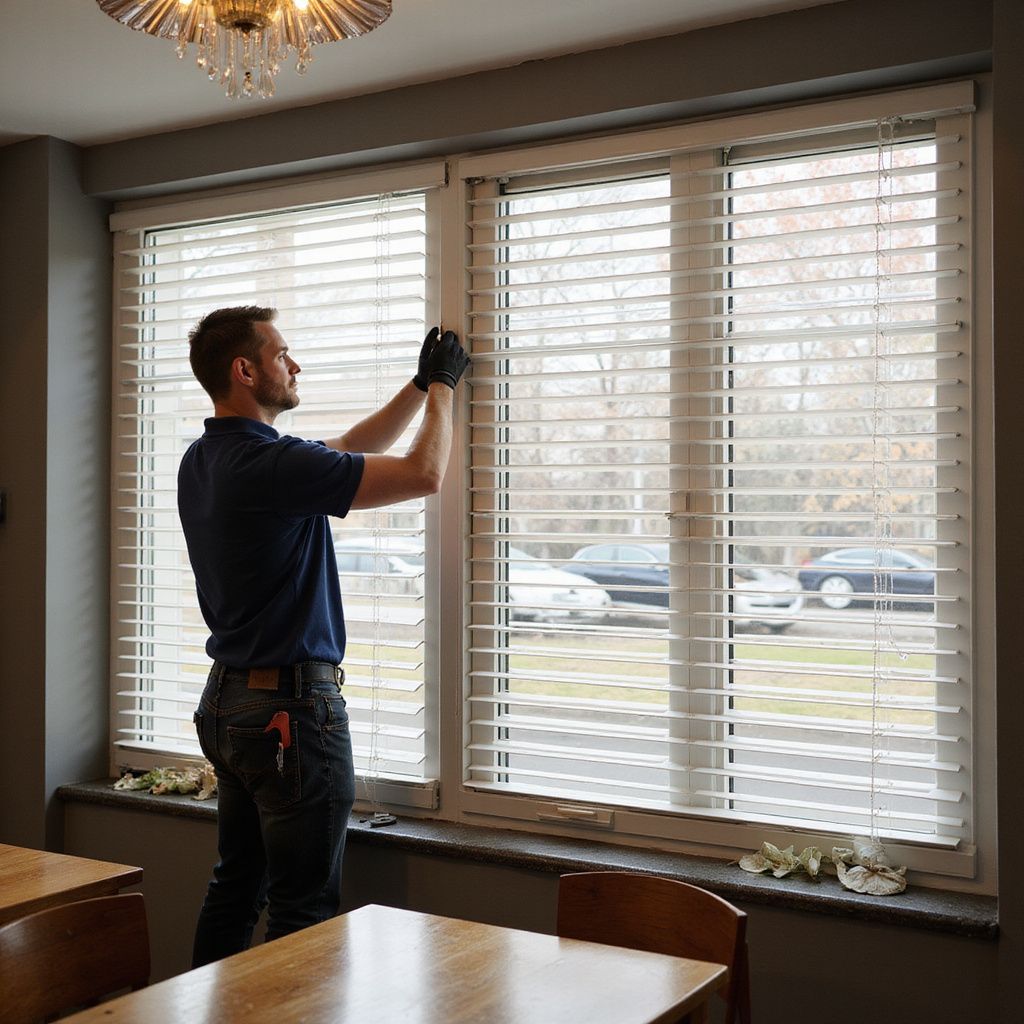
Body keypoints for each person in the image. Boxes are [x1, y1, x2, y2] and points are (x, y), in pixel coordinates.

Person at [178, 306, 469, 967]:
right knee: (302, 909)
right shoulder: (271, 466)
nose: (295, 364)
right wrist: (448, 389)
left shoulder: (207, 459)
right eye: (283, 354)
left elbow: (341, 451)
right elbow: (424, 473)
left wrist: (419, 384)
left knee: (235, 890)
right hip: (289, 712)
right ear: (245, 370)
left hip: (229, 704)